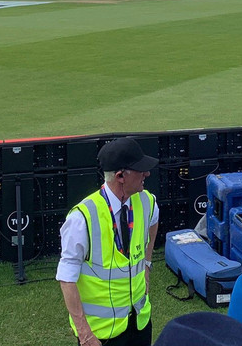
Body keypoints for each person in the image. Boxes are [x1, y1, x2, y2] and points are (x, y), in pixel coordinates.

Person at [58, 137, 159, 346]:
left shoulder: (146, 201)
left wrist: (147, 264)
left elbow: (154, 221)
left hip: (139, 323)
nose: (146, 174)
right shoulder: (82, 218)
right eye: (140, 169)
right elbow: (66, 278)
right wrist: (85, 335)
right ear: (121, 176)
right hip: (100, 335)